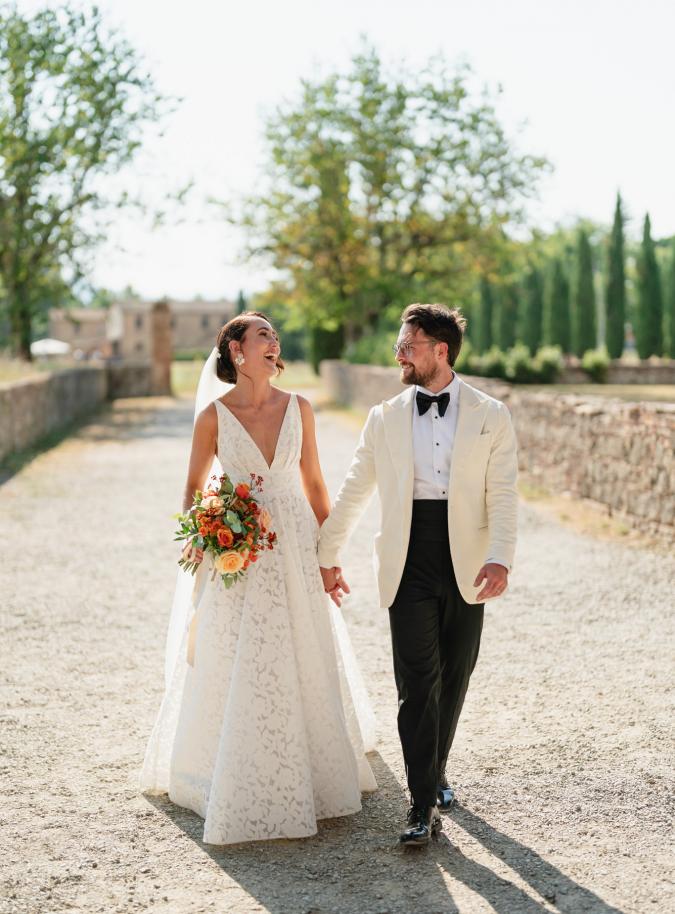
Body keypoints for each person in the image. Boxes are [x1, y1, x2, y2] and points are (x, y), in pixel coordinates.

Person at [140, 312, 376, 845]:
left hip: (293, 542)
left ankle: (312, 770)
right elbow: (193, 493)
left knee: (301, 648)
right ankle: (231, 765)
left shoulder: (301, 409)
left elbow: (315, 483)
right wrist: (210, 533)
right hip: (240, 553)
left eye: (275, 335)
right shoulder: (212, 418)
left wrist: (330, 554)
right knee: (241, 654)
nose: (274, 342)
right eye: (262, 335)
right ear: (236, 352)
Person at [318, 303, 518, 847]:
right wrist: (325, 553)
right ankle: (420, 801)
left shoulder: (490, 414)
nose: (398, 353)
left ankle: (437, 770)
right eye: (400, 344)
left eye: (408, 344)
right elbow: (356, 488)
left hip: (468, 559)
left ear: (440, 350)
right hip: (406, 559)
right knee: (416, 684)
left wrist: (500, 556)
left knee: (455, 675)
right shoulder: (383, 417)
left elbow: (502, 494)